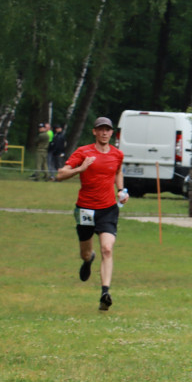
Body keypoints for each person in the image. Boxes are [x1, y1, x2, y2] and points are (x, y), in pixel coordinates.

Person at [56, 116, 128, 311]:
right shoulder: (83, 152)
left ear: (112, 132)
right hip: (85, 209)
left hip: (108, 209)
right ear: (94, 132)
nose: (104, 133)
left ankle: (105, 293)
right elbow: (60, 174)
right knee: (85, 252)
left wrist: (121, 190)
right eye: (100, 129)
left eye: (108, 129)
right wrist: (81, 168)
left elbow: (118, 171)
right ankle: (88, 260)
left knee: (107, 248)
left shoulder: (117, 154)